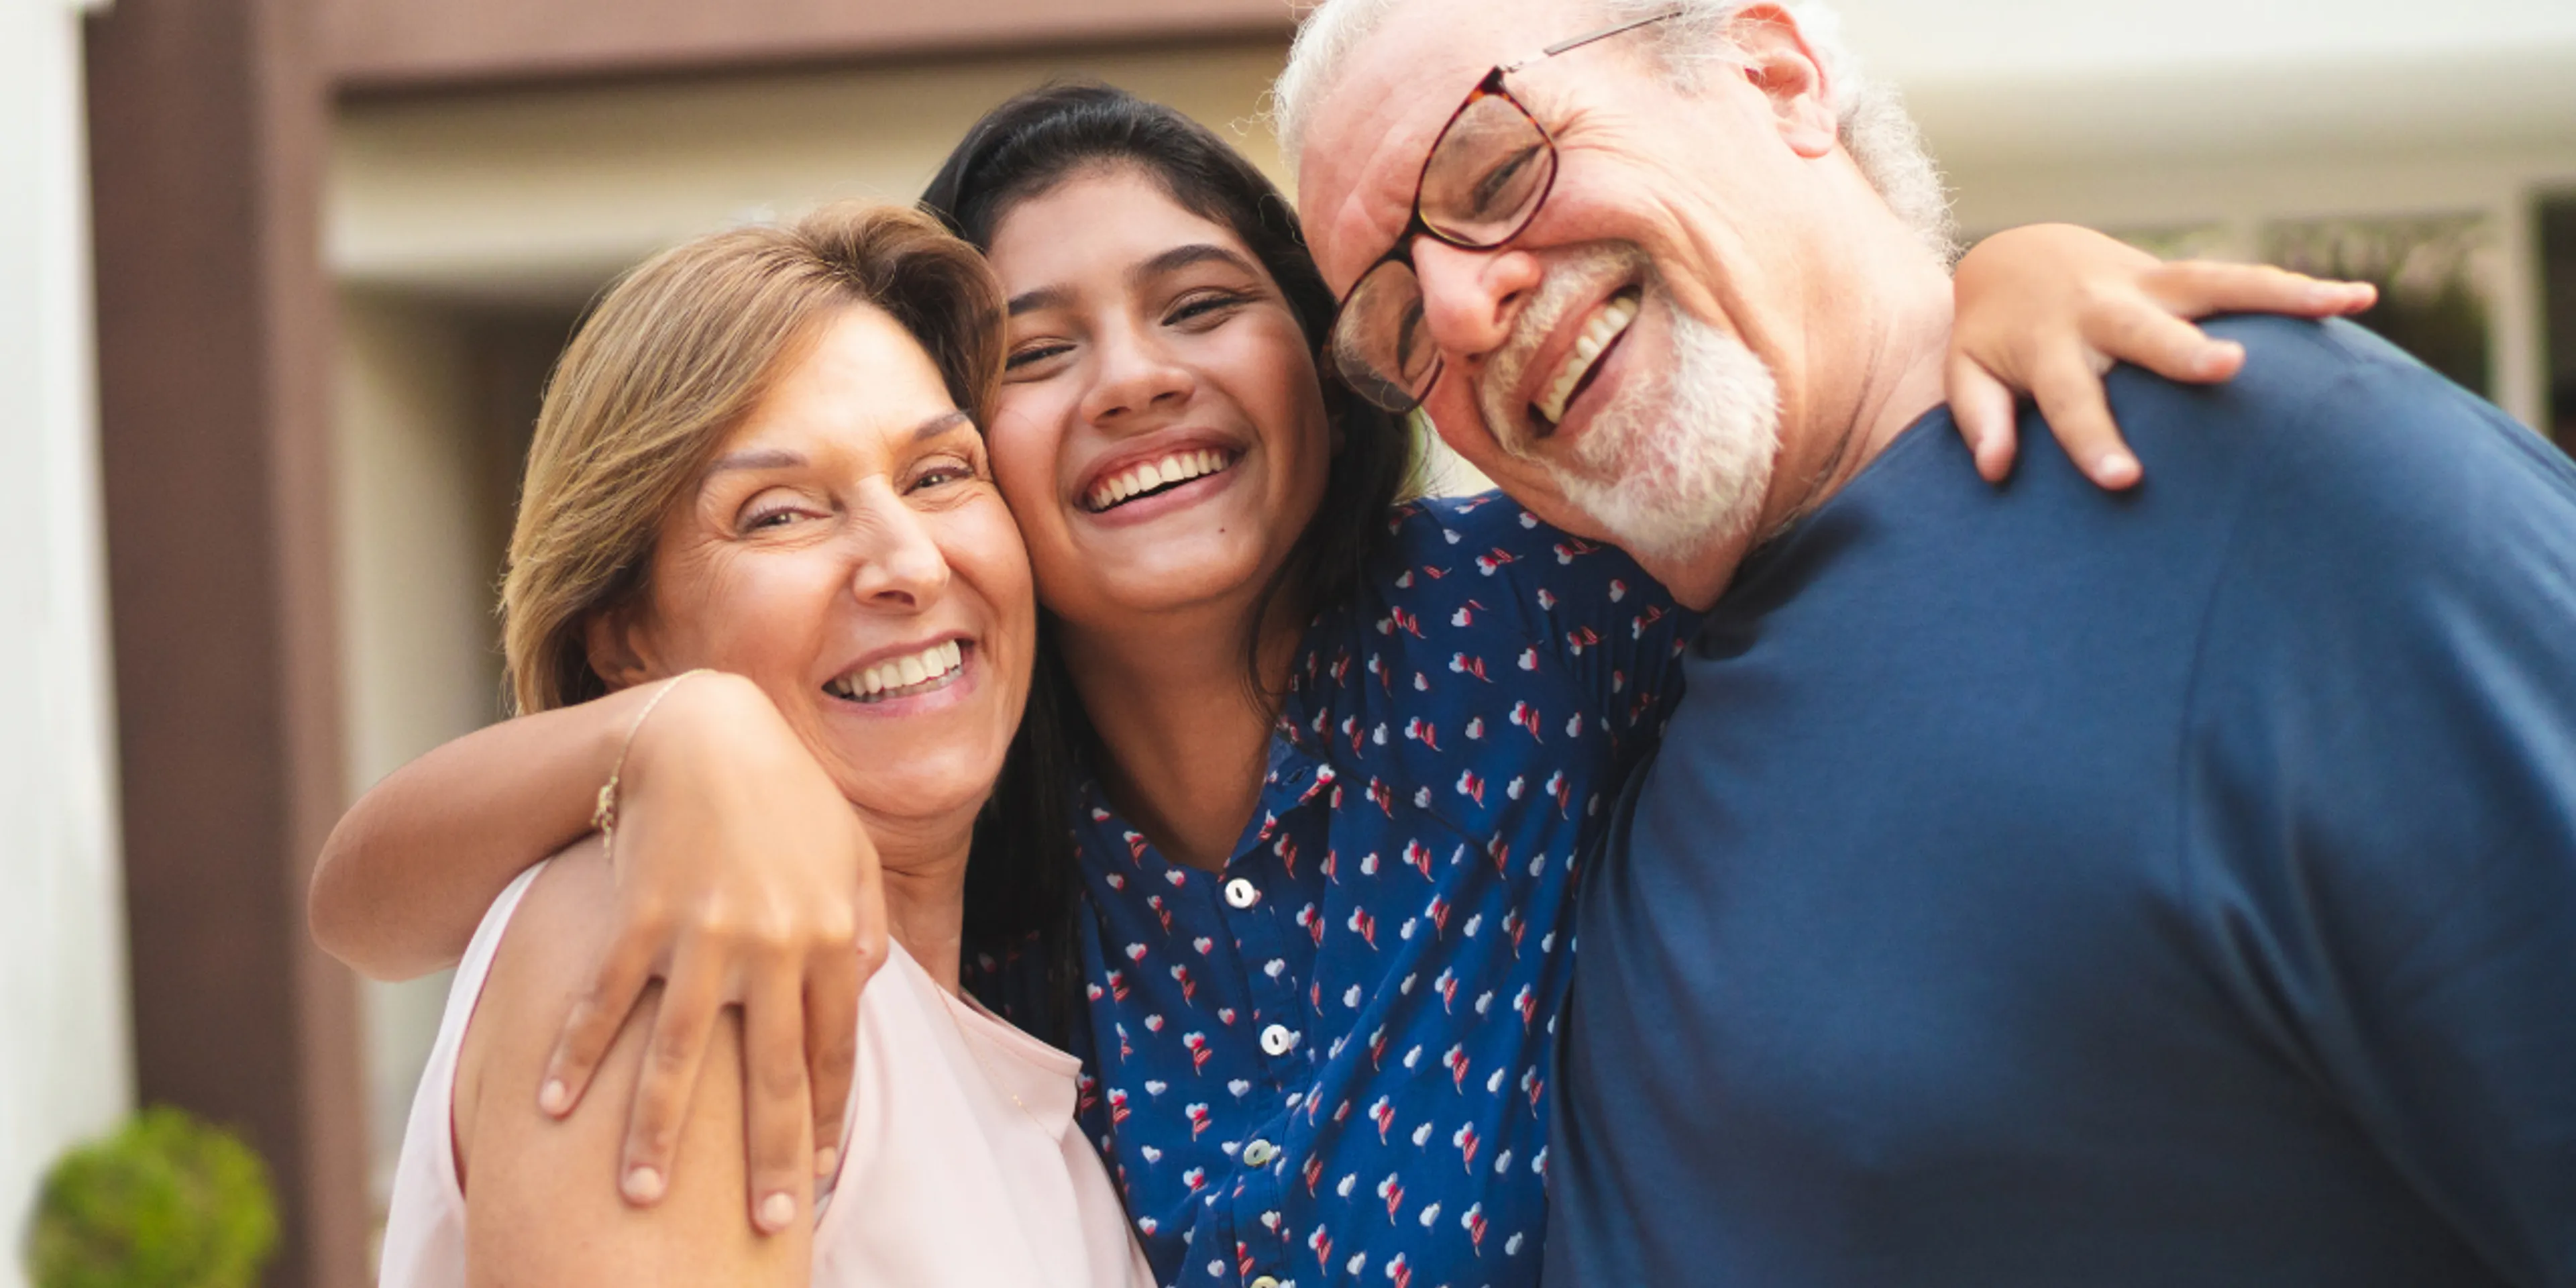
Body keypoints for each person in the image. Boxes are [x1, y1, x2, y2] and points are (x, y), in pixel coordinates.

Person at [311, 87, 2371, 1288]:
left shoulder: (1541, 607)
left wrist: (1978, 288)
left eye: (1204, 304)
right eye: (1030, 358)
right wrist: (668, 735)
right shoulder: (919, 885)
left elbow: (1833, 487)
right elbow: (372, 904)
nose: (1132, 380)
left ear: (1336, 363)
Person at [1275, 2, 2576, 1285]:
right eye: (1395, 325)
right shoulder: (1576, 696)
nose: (1457, 311)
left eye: (1497, 169)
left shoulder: (2277, 481)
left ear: (1778, 74)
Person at [374, 201, 1152, 1287]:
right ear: (626, 638)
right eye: (780, 514)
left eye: (938, 476)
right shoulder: (669, 921)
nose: (911, 564)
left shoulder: (995, 1049)